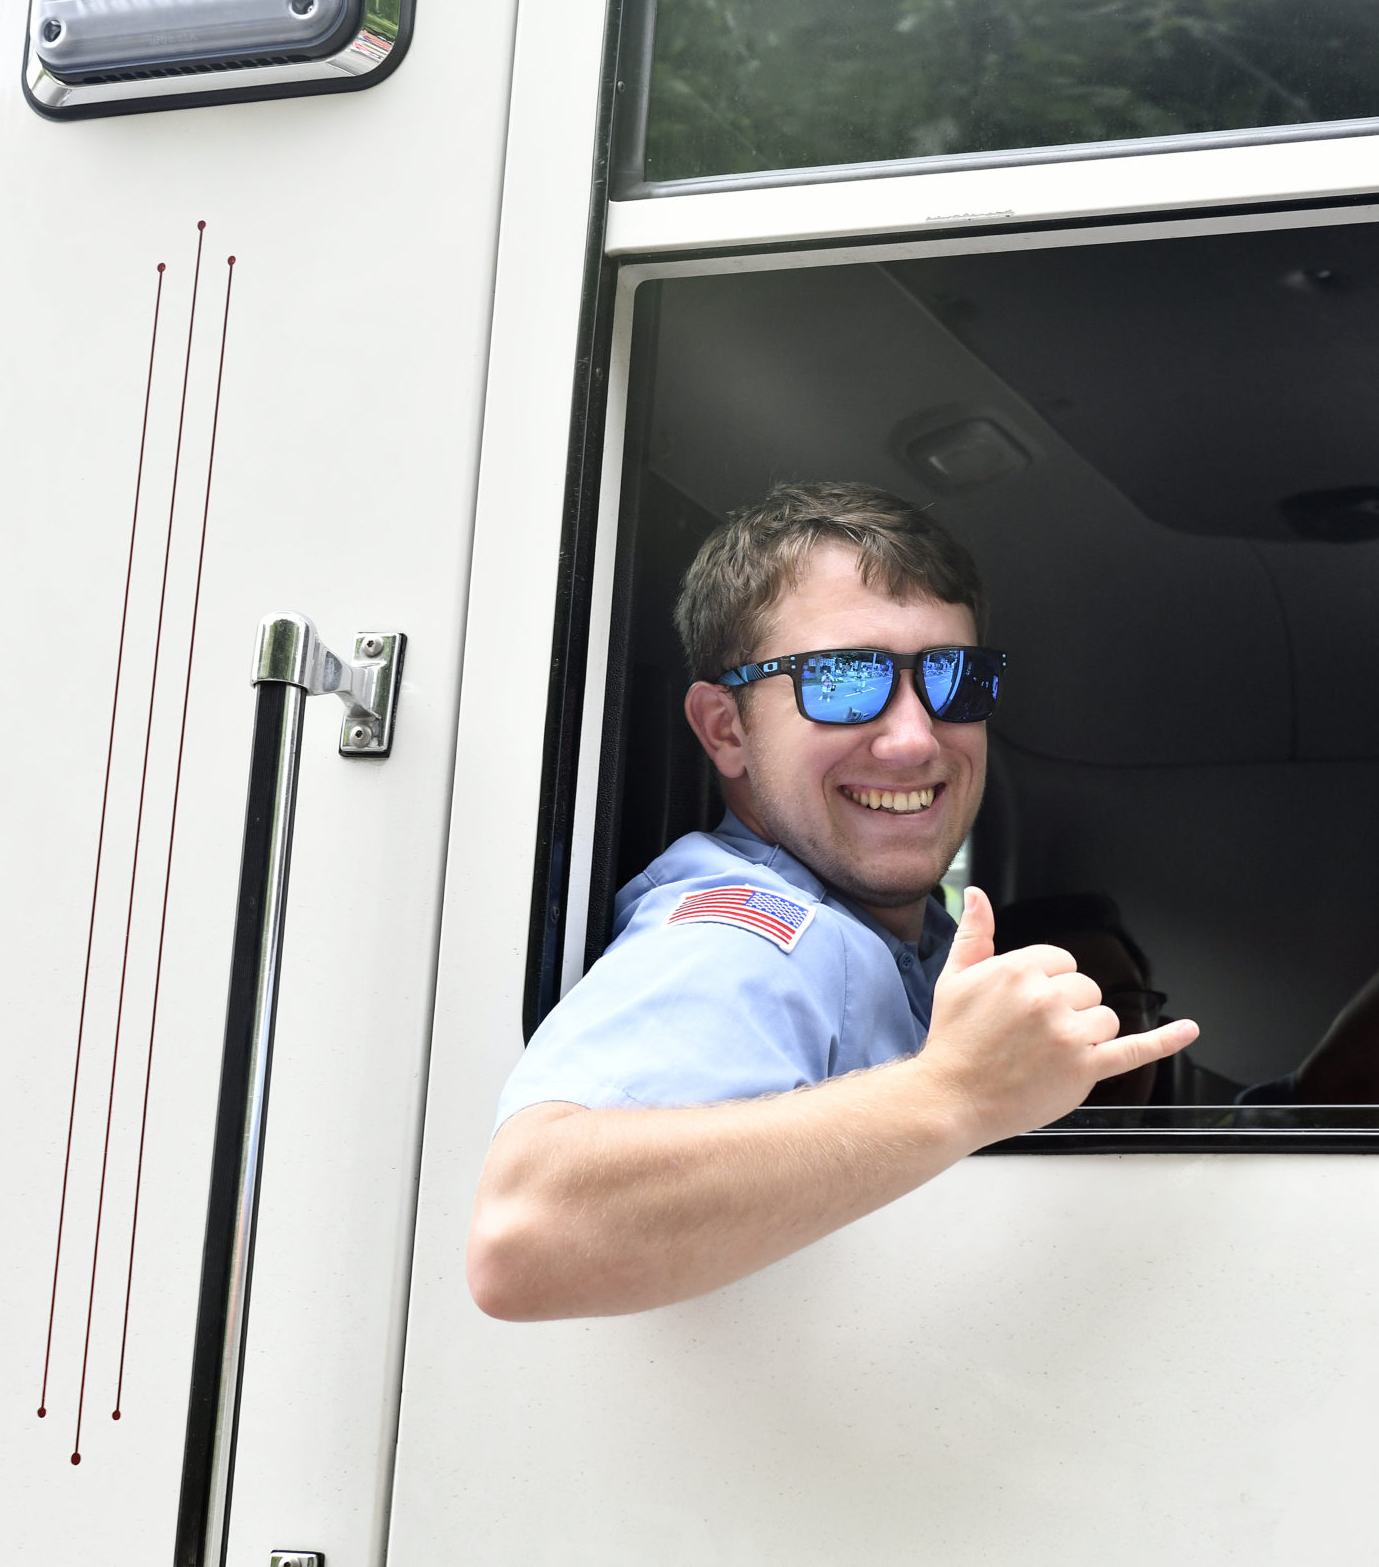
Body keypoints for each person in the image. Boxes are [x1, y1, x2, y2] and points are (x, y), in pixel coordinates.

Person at [468, 481, 1198, 1322]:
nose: (917, 737)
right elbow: (525, 1233)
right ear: (725, 729)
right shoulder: (756, 937)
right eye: (846, 680)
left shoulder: (910, 941)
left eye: (953, 678)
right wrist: (952, 1094)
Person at [1025, 707, 1379, 1124]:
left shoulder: (1213, 1160)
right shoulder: (950, 1164)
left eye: (1127, 1003)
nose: (1107, 1029)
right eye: (1068, 1004)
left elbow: (1354, 1089)